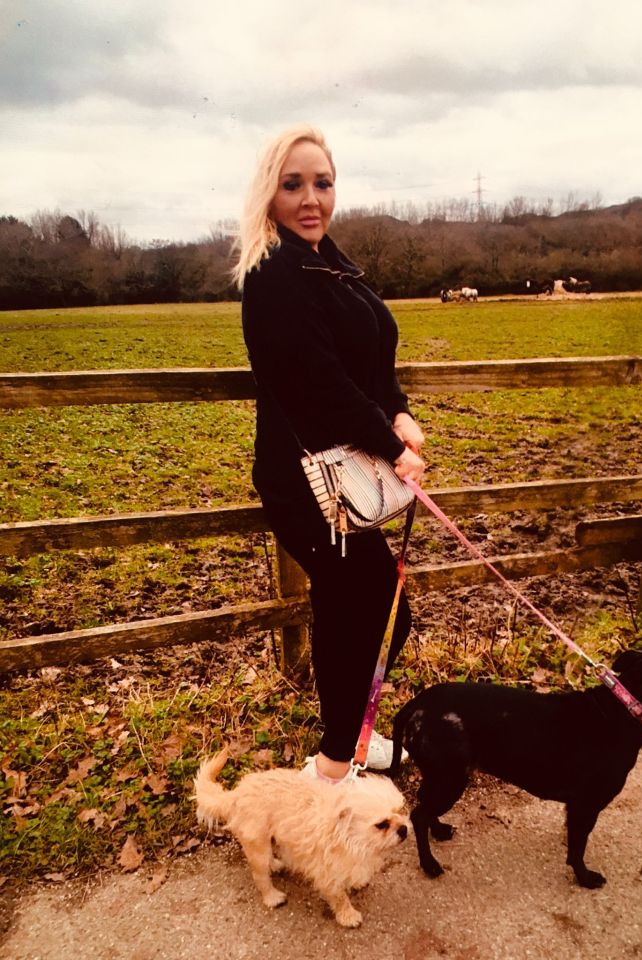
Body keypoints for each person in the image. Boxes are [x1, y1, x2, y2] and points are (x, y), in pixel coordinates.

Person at [234, 126, 425, 783]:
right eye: (293, 185)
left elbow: (374, 358)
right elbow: (320, 388)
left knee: (364, 614)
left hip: (345, 471)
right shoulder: (275, 276)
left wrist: (398, 408)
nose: (311, 198)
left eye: (322, 182)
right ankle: (331, 768)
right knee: (368, 615)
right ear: (270, 193)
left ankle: (348, 742)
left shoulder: (333, 265)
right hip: (306, 482)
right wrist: (394, 446)